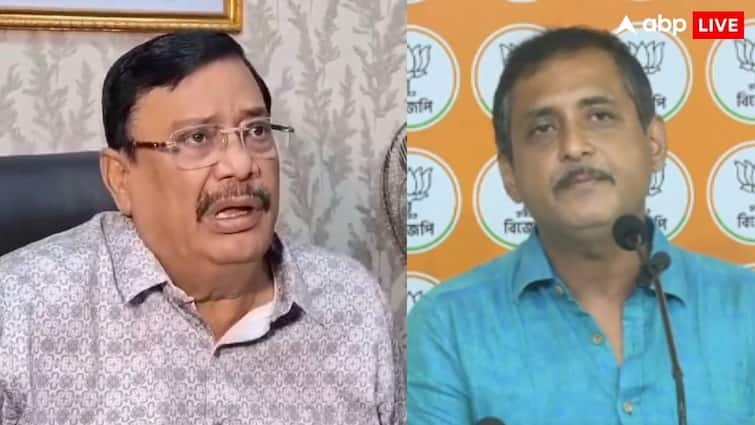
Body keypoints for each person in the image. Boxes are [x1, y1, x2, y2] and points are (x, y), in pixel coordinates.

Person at [0, 31, 403, 425]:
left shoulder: (350, 300)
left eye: (256, 131)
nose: (241, 165)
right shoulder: (21, 306)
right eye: (197, 138)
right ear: (121, 179)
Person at [407, 26, 755, 425]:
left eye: (600, 116)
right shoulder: (447, 326)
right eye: (543, 129)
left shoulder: (745, 307)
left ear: (653, 144)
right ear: (510, 174)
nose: (573, 146)